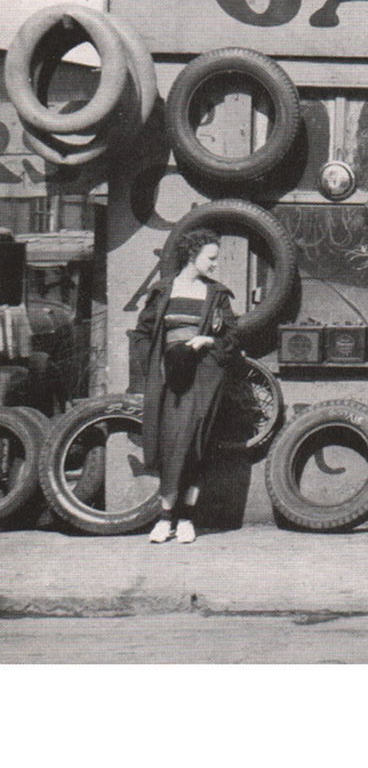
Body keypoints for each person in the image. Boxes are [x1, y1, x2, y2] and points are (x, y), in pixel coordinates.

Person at [134, 228, 240, 544]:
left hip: (204, 376)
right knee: (169, 444)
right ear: (192, 256)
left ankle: (186, 519)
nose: (215, 265)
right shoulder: (163, 290)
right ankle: (165, 518)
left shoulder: (217, 295)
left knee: (196, 442)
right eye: (211, 258)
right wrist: (157, 366)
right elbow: (142, 333)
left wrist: (208, 340)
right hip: (169, 378)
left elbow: (232, 337)